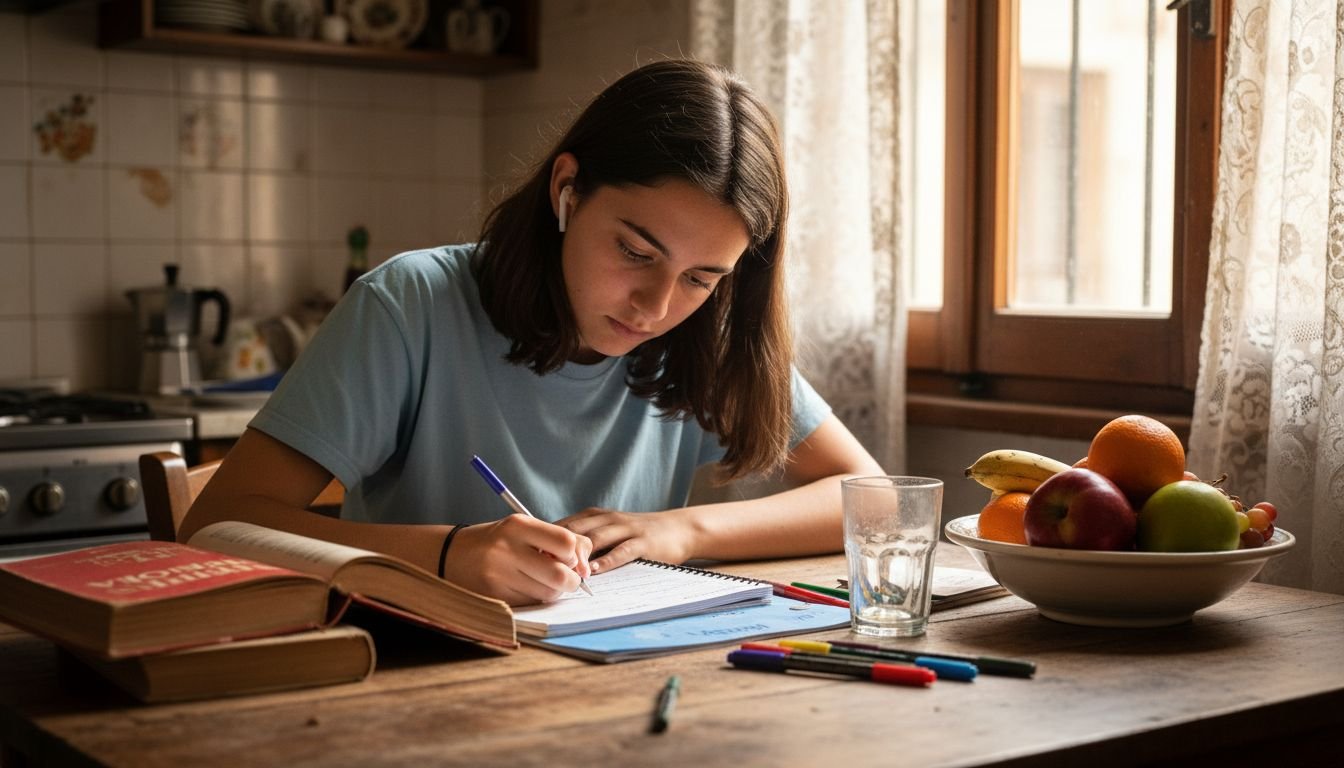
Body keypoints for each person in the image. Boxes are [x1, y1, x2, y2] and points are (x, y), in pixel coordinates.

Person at [182, 59, 884, 606]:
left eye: (702, 277)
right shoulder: (411, 305)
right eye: (636, 253)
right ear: (566, 191)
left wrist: (676, 530)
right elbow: (214, 525)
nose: (654, 305)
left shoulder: (704, 334)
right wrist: (448, 553)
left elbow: (873, 497)